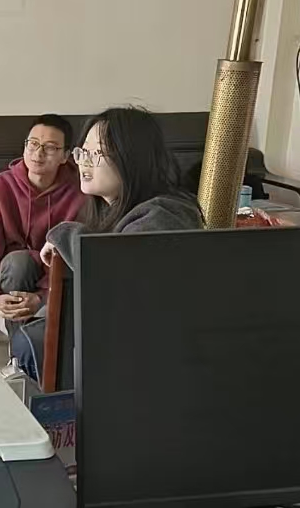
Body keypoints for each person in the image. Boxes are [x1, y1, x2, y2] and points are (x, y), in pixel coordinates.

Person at [14, 106, 202, 380]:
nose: (84, 162)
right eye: (83, 152)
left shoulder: (163, 216)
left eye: (97, 153)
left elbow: (113, 270)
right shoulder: (111, 210)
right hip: (122, 341)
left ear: (132, 158)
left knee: (32, 344)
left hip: (151, 359)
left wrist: (63, 233)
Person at [0, 115, 85, 327]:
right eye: (33, 144)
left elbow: (77, 251)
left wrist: (43, 296)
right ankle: (21, 344)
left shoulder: (80, 192)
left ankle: (40, 343)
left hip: (60, 276)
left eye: (50, 147)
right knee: (19, 263)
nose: (38, 153)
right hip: (16, 274)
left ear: (65, 156)